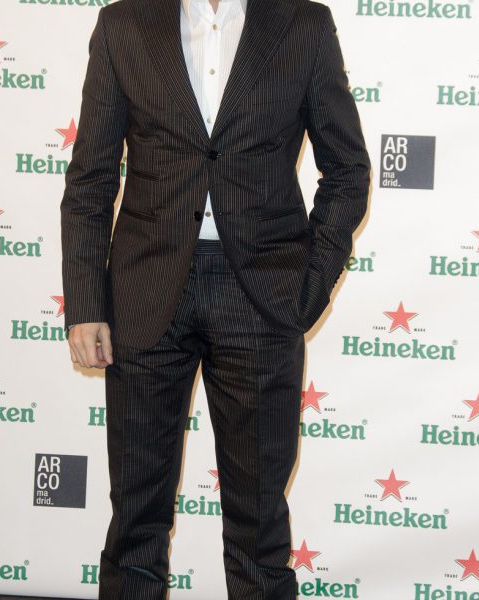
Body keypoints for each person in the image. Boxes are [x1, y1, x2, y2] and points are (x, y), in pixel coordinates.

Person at [60, 0, 371, 597]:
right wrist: (86, 303)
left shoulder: (302, 24)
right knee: (135, 522)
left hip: (262, 294)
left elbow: (347, 171)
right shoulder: (124, 25)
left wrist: (308, 287)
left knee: (259, 531)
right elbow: (91, 177)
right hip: (145, 291)